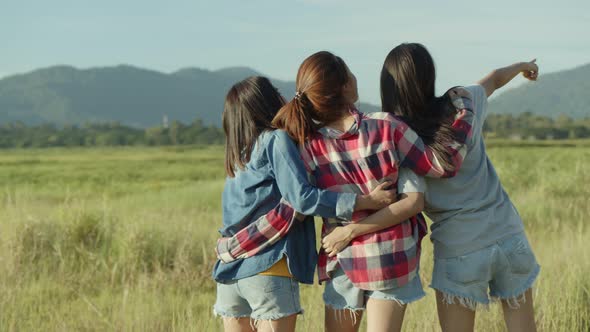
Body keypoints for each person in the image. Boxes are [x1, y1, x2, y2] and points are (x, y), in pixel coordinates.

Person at [217, 51, 476, 332]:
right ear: (345, 86)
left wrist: (235, 245)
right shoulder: (388, 126)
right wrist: (464, 109)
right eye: (351, 73)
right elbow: (439, 167)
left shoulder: (306, 146)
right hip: (390, 256)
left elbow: (296, 204)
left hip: (342, 260)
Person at [324, 43, 540, 332]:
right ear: (430, 75)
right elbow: (495, 78)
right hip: (510, 237)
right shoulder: (464, 104)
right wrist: (524, 66)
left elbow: (403, 199)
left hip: (458, 248)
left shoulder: (399, 139)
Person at [211, 75, 399, 332]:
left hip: (230, 273)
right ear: (266, 102)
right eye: (276, 91)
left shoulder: (238, 155)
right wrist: (364, 201)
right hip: (269, 267)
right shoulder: (275, 139)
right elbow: (303, 198)